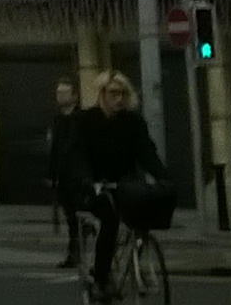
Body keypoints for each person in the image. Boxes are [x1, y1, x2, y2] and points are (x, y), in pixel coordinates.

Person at [62, 71, 164, 302]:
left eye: (123, 94)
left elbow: (147, 153)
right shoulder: (84, 121)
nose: (119, 99)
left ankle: (137, 259)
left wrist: (163, 177)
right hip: (93, 186)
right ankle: (100, 277)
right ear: (101, 95)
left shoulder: (133, 122)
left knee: (143, 209)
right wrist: (88, 180)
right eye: (113, 94)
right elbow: (76, 156)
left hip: (124, 183)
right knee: (109, 218)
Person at [45, 79, 82, 269]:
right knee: (70, 217)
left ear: (75, 95)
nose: (61, 96)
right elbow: (54, 148)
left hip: (78, 175)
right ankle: (74, 251)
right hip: (63, 176)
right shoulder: (57, 120)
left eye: (65, 93)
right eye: (59, 93)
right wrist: (51, 174)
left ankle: (75, 251)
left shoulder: (81, 119)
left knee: (77, 215)